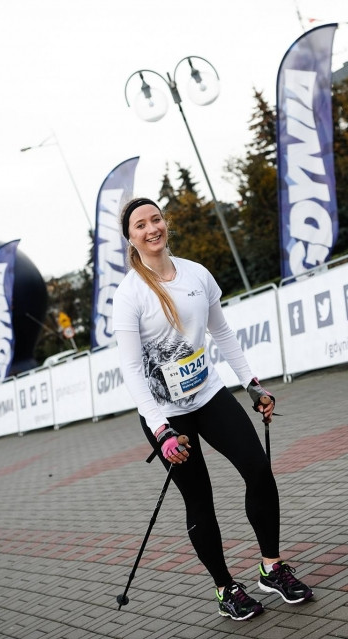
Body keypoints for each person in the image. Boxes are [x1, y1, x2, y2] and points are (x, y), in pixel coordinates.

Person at [112, 197, 313, 621]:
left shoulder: (196, 274)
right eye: (140, 225)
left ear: (165, 223)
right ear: (130, 238)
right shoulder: (129, 294)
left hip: (208, 394)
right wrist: (161, 430)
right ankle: (225, 589)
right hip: (166, 415)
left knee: (258, 470)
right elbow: (131, 369)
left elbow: (222, 333)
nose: (152, 229)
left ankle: (271, 567)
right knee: (200, 499)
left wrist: (253, 385)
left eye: (156, 219)